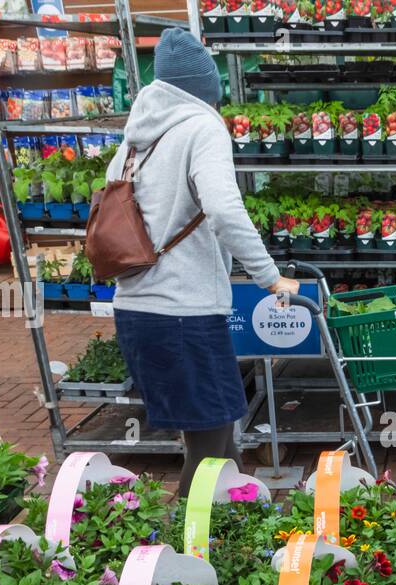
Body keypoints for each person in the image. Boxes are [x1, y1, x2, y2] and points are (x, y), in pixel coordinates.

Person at [104, 27, 298, 496]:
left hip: (137, 311)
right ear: (205, 88)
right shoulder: (202, 127)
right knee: (210, 451)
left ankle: (231, 530)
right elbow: (225, 208)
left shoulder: (133, 142)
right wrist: (271, 279)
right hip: (183, 313)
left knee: (213, 440)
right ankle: (183, 551)